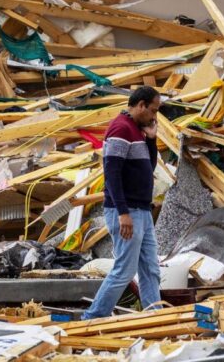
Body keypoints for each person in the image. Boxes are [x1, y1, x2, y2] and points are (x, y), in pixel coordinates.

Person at [82, 86, 161, 319]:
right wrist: (122, 212)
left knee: (150, 269)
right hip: (127, 211)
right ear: (141, 105)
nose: (154, 116)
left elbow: (150, 167)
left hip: (142, 211)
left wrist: (152, 141)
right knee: (125, 270)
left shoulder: (137, 130)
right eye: (153, 111)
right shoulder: (121, 128)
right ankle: (93, 317)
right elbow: (112, 174)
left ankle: (154, 317)